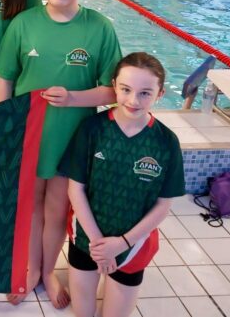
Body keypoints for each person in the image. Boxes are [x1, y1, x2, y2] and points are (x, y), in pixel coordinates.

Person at [0, 0, 122, 308]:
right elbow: (5, 79)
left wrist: (73, 98)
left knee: (57, 210)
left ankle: (50, 270)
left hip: (73, 138)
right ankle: (31, 268)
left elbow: (114, 90)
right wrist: (5, 130)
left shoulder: (98, 28)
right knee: (30, 205)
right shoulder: (24, 24)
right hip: (29, 135)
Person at [60, 52, 184, 317]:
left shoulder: (166, 142)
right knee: (83, 313)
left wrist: (122, 243)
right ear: (114, 85)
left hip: (134, 245)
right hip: (86, 238)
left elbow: (163, 206)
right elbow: (75, 189)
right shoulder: (92, 129)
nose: (133, 100)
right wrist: (98, 243)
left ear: (160, 94)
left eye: (145, 93)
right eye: (126, 89)